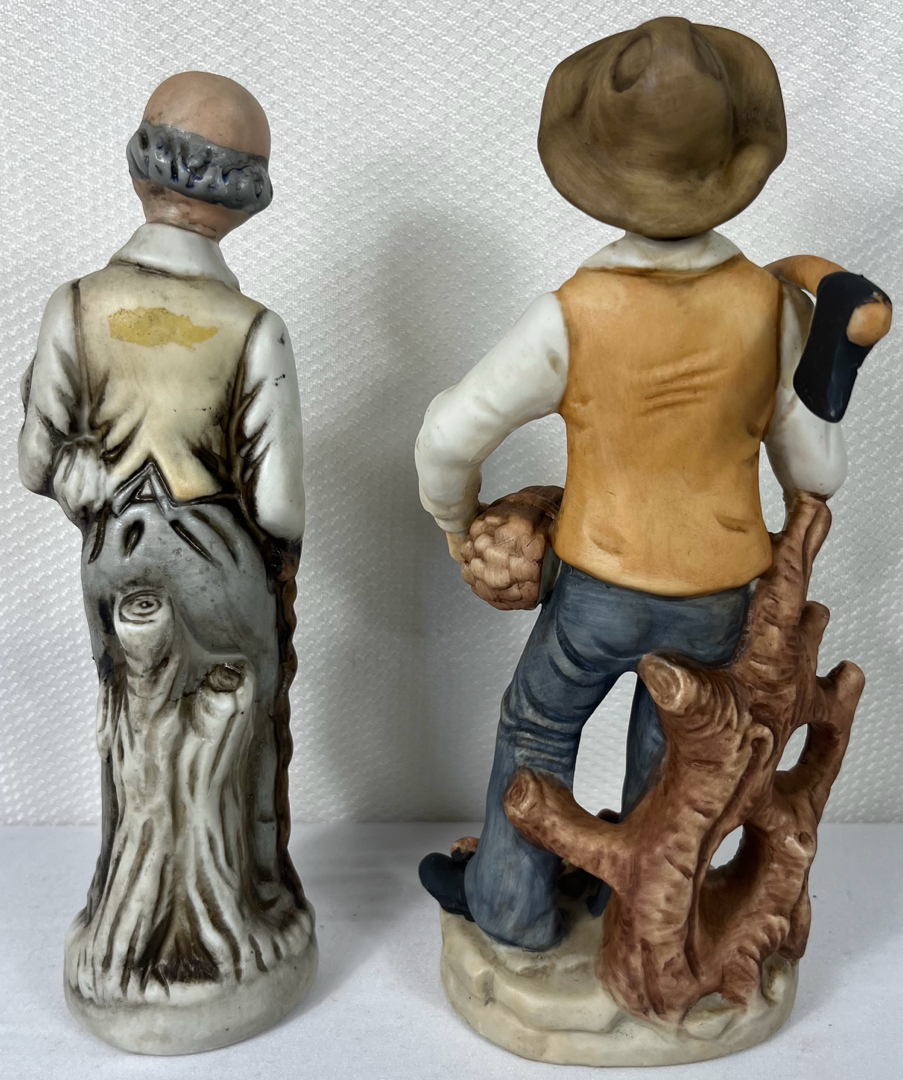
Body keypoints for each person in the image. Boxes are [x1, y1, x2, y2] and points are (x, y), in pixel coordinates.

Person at [414, 17, 886, 952]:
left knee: (538, 730)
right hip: (717, 593)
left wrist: (459, 522)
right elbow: (817, 473)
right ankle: (633, 915)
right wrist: (814, 347)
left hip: (598, 583)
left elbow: (444, 437)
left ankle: (509, 905)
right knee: (671, 751)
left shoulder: (573, 313)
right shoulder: (764, 305)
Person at [18, 72, 314, 1046]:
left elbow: (37, 461)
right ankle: (242, 908)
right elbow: (278, 505)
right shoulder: (254, 329)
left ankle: (126, 921)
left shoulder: (75, 305)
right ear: (246, 197)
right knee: (239, 728)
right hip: (220, 563)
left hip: (114, 561)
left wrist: (96, 483)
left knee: (130, 727)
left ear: (142, 169)